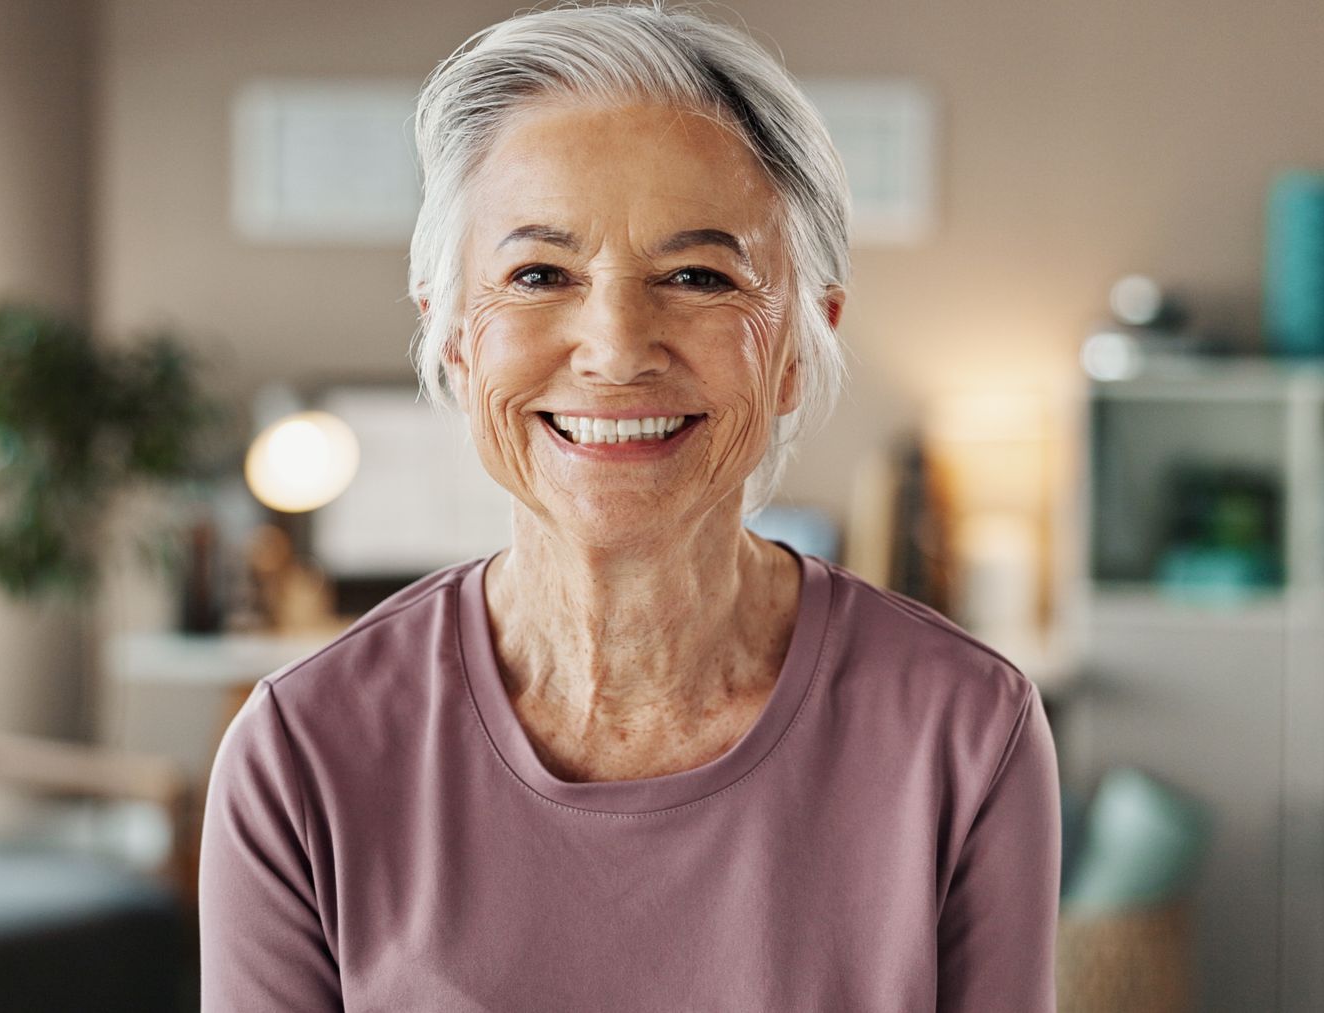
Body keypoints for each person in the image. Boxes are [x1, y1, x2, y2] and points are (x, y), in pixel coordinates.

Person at [198, 4, 1061, 1010]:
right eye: (539, 274)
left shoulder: (965, 732)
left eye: (697, 275)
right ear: (454, 336)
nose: (615, 346)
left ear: (797, 343)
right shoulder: (300, 752)